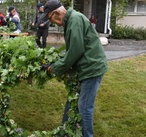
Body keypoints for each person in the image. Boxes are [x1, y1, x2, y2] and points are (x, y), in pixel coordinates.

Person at [40, 0, 108, 136]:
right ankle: (65, 132)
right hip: (86, 66)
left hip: (91, 68)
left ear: (58, 13)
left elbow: (75, 51)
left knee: (84, 108)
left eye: (51, 18)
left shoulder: (74, 20)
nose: (52, 23)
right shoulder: (71, 20)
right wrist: (56, 62)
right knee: (72, 101)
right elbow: (72, 49)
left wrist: (56, 67)